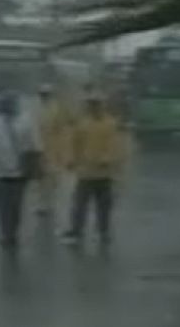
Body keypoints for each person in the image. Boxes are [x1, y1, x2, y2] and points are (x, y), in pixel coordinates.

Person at [62, 94, 129, 246]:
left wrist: (107, 159)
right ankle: (76, 230)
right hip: (85, 173)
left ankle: (103, 231)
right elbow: (74, 143)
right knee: (79, 204)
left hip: (104, 174)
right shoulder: (82, 124)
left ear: (102, 106)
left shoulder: (110, 124)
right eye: (91, 105)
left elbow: (116, 145)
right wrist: (70, 160)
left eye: (96, 104)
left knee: (104, 206)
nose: (93, 107)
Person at [0, 91, 42, 249]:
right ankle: (6, 234)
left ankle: (12, 231)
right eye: (5, 104)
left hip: (19, 173)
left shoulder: (25, 121)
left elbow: (34, 146)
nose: (7, 106)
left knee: (15, 207)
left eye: (10, 103)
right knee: (2, 206)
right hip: (0, 173)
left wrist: (35, 166)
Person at [31, 84, 72, 217]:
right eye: (42, 94)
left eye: (46, 94)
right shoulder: (36, 109)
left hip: (54, 149)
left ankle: (51, 203)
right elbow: (33, 128)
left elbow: (62, 129)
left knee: (54, 179)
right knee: (40, 179)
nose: (44, 96)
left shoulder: (56, 109)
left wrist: (63, 151)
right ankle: (41, 204)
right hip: (39, 148)